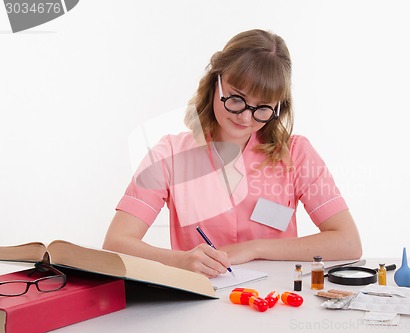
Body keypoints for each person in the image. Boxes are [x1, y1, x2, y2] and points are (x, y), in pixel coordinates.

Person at [103, 29, 362, 278]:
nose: (246, 117)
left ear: (278, 107)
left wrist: (254, 248)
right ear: (215, 83)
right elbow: (116, 242)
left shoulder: (297, 154)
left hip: (275, 303)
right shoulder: (169, 155)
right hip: (198, 304)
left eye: (262, 108)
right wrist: (179, 261)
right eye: (236, 99)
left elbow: (348, 241)